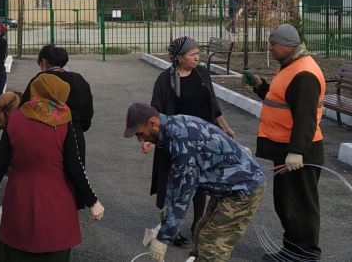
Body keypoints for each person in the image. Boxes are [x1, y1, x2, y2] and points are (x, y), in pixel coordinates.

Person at [0, 73, 104, 262]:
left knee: (16, 251)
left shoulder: (15, 119)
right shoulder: (63, 122)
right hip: (56, 203)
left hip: (19, 201)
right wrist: (92, 201)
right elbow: (75, 168)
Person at [124, 103, 266, 262]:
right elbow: (177, 178)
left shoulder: (182, 142)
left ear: (152, 123)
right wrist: (168, 207)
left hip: (243, 189)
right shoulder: (174, 128)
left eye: (140, 133)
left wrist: (163, 237)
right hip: (228, 187)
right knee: (201, 230)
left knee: (212, 243)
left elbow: (183, 193)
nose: (140, 139)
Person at [241, 24, 325, 261]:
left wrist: (296, 151)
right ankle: (292, 251)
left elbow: (305, 118)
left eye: (273, 44)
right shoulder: (291, 66)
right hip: (287, 150)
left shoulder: (304, 74)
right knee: (287, 205)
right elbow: (281, 99)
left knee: (300, 207)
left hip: (299, 153)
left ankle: (305, 254)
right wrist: (259, 85)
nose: (270, 48)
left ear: (288, 45)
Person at [0, 44, 94, 183]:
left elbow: (21, 115)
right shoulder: (80, 81)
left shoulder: (39, 82)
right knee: (74, 185)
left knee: (49, 187)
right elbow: (87, 119)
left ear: (44, 63)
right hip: (76, 141)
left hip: (48, 145)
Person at [148, 36, 235, 247]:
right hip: (177, 142)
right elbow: (156, 111)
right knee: (174, 184)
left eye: (198, 54)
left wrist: (224, 126)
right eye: (192, 55)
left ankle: (197, 223)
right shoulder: (166, 80)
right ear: (179, 57)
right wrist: (149, 139)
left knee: (200, 183)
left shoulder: (201, 73)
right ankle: (171, 228)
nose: (197, 58)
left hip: (203, 140)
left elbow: (213, 103)